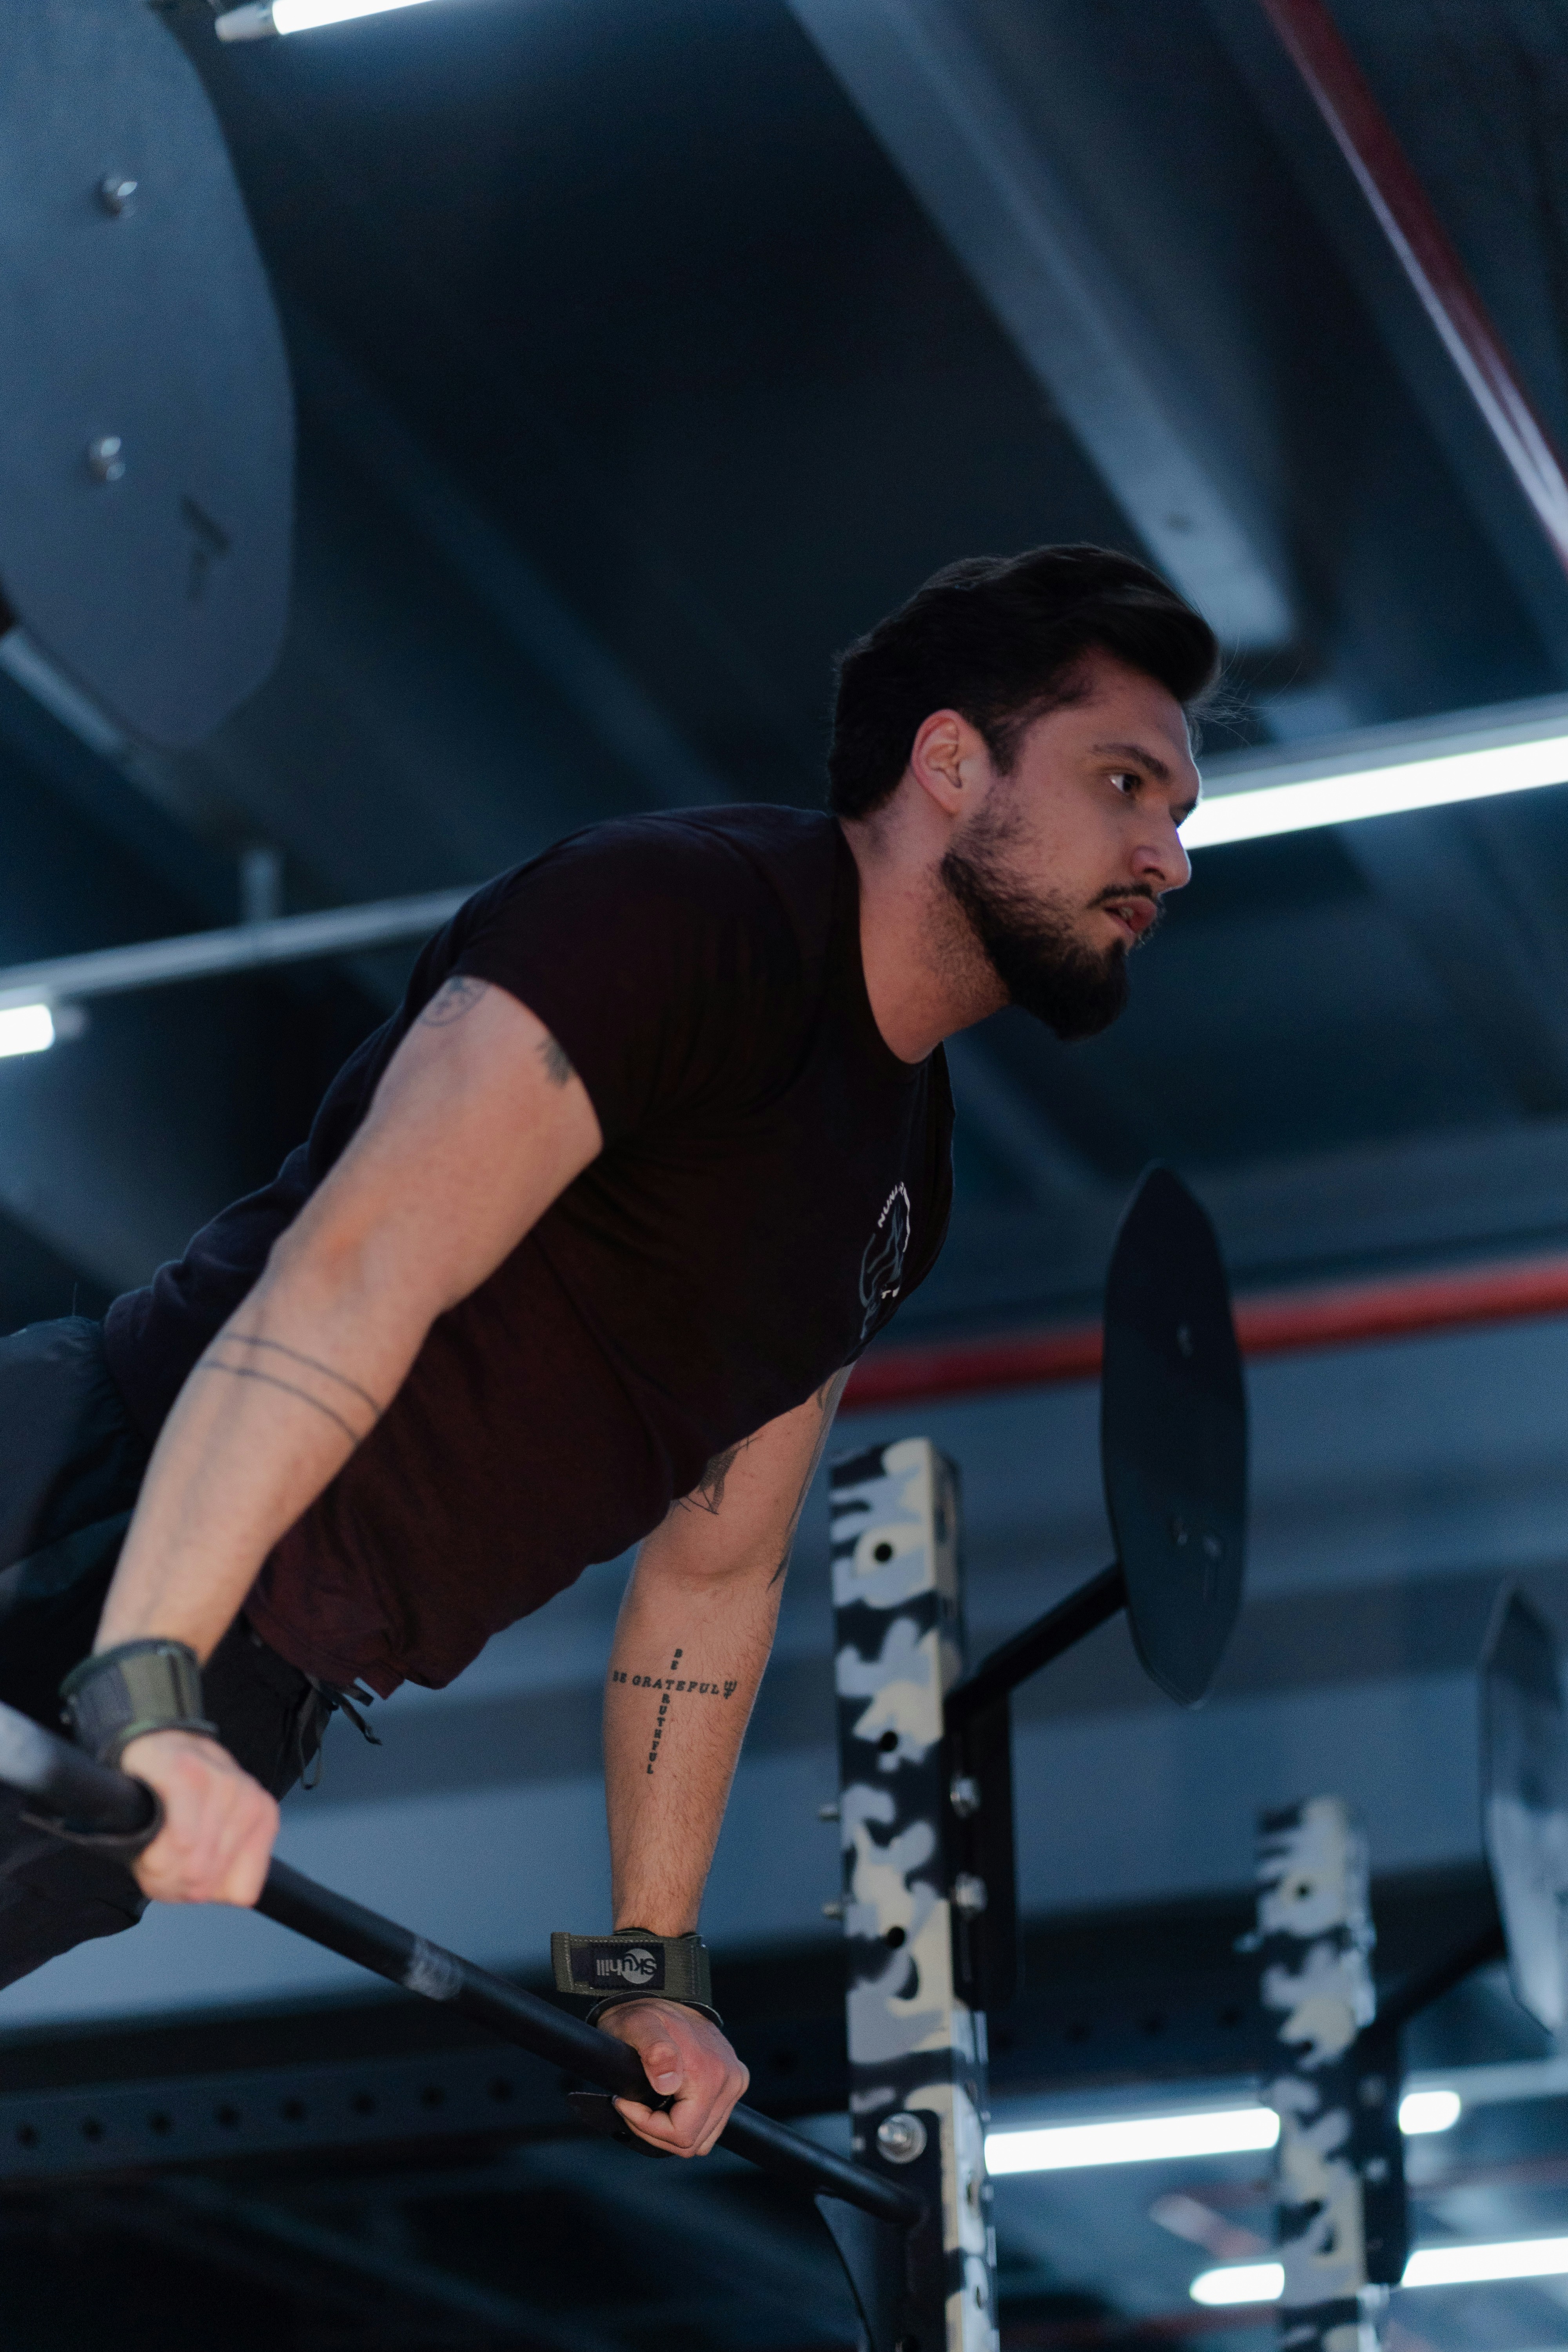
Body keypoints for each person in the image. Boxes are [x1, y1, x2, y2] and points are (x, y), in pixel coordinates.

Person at [0, 542, 1214, 2156]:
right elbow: (356, 1268)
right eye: (1124, 782)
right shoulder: (679, 917)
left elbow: (716, 1571)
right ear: (949, 762)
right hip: (95, 1506)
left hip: (263, 1676)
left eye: (1179, 810)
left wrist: (650, 1967)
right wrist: (142, 1678)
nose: (1168, 855)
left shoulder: (900, 1182)